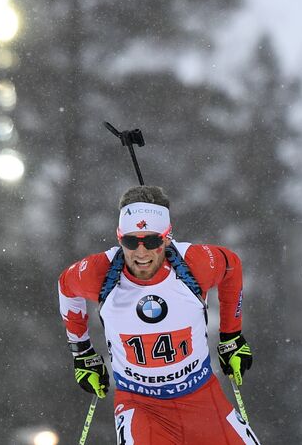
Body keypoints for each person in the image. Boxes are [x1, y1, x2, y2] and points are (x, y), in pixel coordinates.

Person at [57, 185, 261, 444]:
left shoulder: (195, 263)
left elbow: (231, 265)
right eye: (131, 241)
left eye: (152, 241)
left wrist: (231, 337)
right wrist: (82, 352)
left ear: (166, 237)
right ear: (120, 238)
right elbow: (66, 285)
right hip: (141, 405)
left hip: (202, 399)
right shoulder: (99, 272)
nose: (141, 253)